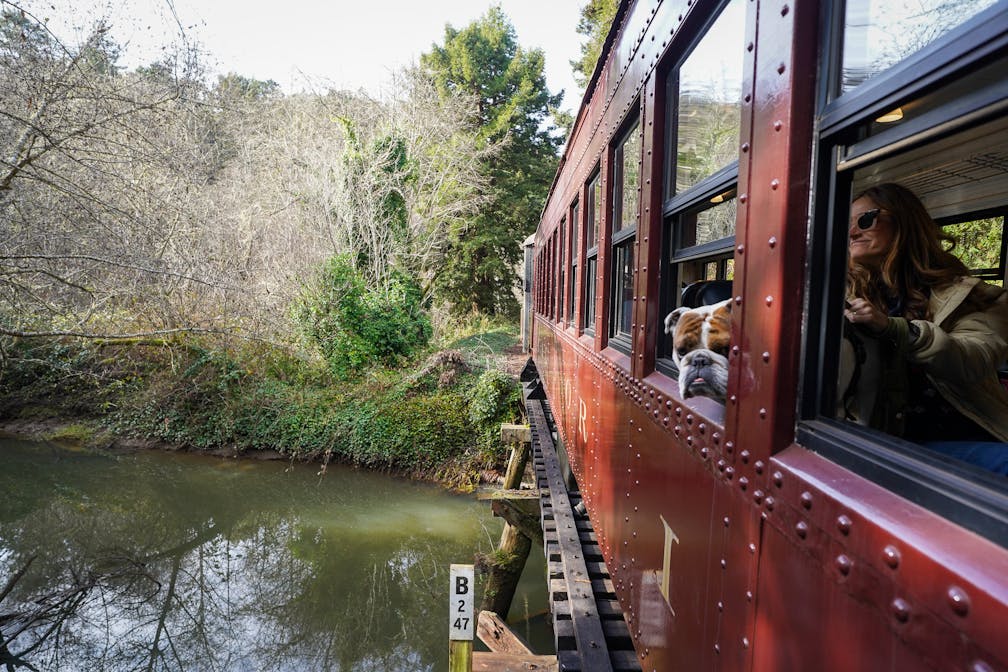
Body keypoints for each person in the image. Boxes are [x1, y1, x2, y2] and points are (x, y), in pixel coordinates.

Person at [843, 182, 1008, 475]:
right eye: (848, 224)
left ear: (905, 223)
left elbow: (975, 358)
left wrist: (898, 330)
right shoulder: (839, 295)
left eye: (866, 220)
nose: (853, 232)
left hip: (963, 433)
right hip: (883, 440)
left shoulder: (972, 296)